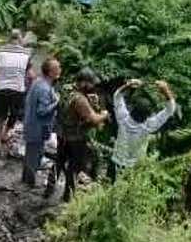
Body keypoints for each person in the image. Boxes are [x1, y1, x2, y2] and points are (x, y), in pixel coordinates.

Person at [48, 68, 109, 201]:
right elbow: (93, 119)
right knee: (74, 166)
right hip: (75, 138)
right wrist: (104, 114)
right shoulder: (79, 99)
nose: (93, 86)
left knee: (59, 161)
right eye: (91, 83)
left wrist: (90, 102)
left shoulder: (66, 89)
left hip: (62, 133)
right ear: (83, 83)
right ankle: (68, 195)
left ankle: (49, 188)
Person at [110, 78, 176, 178]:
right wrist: (165, 91)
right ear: (148, 115)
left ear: (132, 108)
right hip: (132, 168)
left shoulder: (123, 119)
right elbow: (170, 109)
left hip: (115, 162)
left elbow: (117, 96)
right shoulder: (148, 126)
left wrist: (128, 85)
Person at [0, 29, 32, 156]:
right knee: (14, 114)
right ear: (20, 40)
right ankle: (6, 135)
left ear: (9, 39)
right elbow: (31, 75)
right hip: (17, 90)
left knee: (0, 115)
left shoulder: (0, 51)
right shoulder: (26, 54)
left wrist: (3, 73)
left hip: (1, 88)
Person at [22, 57, 61, 187]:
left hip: (32, 124)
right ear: (50, 72)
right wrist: (56, 103)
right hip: (37, 127)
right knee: (33, 156)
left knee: (31, 154)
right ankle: (29, 185)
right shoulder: (44, 88)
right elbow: (42, 111)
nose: (60, 70)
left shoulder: (38, 82)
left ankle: (26, 181)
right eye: (57, 68)